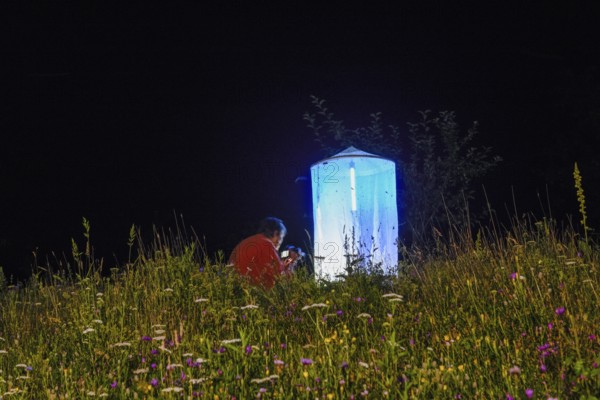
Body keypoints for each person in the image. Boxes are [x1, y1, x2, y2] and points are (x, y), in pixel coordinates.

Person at [228, 217, 300, 289]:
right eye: (281, 238)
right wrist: (291, 265)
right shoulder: (267, 245)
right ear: (276, 233)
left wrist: (284, 265)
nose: (280, 242)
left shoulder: (247, 242)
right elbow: (281, 278)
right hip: (251, 295)